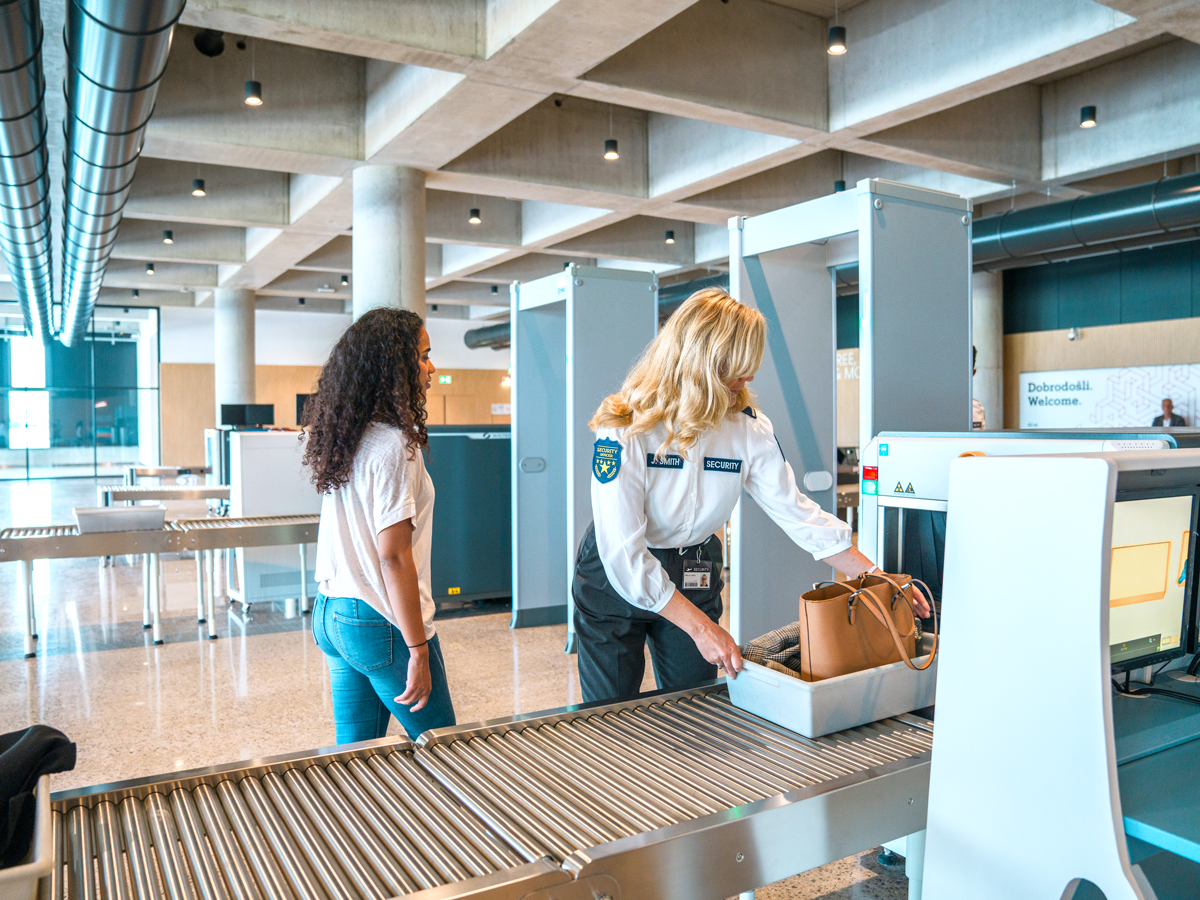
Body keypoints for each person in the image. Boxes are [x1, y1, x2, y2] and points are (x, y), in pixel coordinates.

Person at [573, 288, 930, 704]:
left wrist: (875, 576)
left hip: (694, 565)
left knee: (694, 707)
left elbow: (798, 514)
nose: (748, 379)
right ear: (700, 362)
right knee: (611, 715)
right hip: (616, 570)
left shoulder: (748, 427)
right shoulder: (624, 426)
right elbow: (624, 555)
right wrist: (702, 628)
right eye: (736, 368)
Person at [302, 308, 456, 743]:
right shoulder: (394, 444)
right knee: (446, 749)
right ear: (395, 367)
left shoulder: (348, 435)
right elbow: (392, 555)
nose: (432, 368)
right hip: (376, 616)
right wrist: (417, 649)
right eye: (424, 357)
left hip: (332, 610)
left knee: (356, 755)